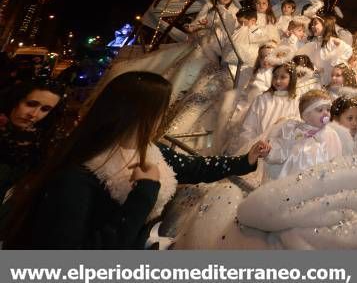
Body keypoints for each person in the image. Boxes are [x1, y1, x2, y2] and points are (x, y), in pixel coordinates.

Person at [2, 72, 267, 249]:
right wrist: (144, 194)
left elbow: (197, 167)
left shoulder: (152, 151)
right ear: (139, 114)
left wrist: (246, 159)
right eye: (162, 111)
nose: (163, 118)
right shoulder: (81, 172)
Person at [1, 80, 66, 202]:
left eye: (45, 109)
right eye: (31, 104)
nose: (34, 114)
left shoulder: (40, 138)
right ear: (15, 99)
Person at [265, 90, 342, 180]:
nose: (326, 113)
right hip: (294, 176)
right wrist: (269, 152)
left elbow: (335, 158)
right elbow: (283, 148)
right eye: (320, 110)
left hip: (321, 178)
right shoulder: (295, 130)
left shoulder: (331, 134)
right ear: (306, 115)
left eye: (328, 109)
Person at [233, 63, 300, 155]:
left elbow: (298, 124)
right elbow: (249, 126)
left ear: (292, 79)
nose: (278, 80)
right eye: (275, 77)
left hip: (284, 150)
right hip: (260, 146)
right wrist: (252, 146)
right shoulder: (262, 99)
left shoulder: (296, 102)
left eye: (283, 77)